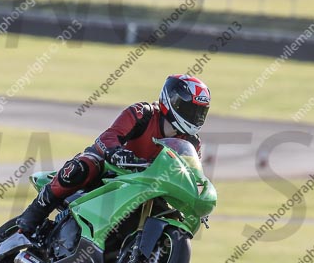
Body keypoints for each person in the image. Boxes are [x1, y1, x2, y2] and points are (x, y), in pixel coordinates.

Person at [16, 74, 211, 236]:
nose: (195, 116)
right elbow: (109, 136)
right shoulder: (143, 113)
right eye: (191, 109)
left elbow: (191, 174)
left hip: (150, 185)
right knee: (82, 168)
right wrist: (116, 153)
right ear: (173, 101)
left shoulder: (192, 143)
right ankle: (32, 216)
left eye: (200, 112)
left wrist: (195, 198)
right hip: (114, 168)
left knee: (171, 212)